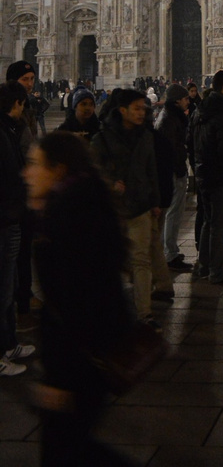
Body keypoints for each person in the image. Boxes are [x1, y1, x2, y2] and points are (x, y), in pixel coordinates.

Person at [24, 131, 133, 465]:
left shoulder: (70, 217)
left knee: (67, 452)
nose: (26, 173)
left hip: (79, 361)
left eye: (34, 165)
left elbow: (75, 304)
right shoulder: (80, 204)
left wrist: (58, 378)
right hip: (91, 355)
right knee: (72, 447)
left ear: (58, 170)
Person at [92, 88, 162, 327]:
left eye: (144, 108)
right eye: (137, 108)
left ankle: (144, 313)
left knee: (141, 261)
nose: (142, 112)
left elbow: (152, 170)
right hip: (113, 210)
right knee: (113, 262)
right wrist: (111, 183)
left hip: (140, 205)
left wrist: (155, 202)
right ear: (123, 110)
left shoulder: (145, 136)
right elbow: (92, 173)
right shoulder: (102, 138)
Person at [189, 70, 223, 285]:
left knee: (208, 223)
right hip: (218, 176)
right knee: (219, 224)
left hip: (203, 173)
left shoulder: (199, 109)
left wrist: (197, 167)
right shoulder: (222, 111)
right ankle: (217, 271)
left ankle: (203, 266)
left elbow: (190, 142)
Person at [0, 81, 34, 377]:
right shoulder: (3, 133)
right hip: (5, 218)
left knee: (8, 285)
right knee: (2, 286)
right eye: (22, 103)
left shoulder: (10, 131)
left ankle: (9, 343)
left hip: (11, 217)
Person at [155, 84, 193, 269]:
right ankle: (170, 254)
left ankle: (168, 250)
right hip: (173, 170)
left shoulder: (170, 116)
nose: (189, 101)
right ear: (177, 100)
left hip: (173, 168)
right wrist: (179, 167)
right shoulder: (170, 118)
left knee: (173, 212)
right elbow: (170, 148)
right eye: (186, 98)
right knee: (173, 213)